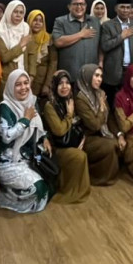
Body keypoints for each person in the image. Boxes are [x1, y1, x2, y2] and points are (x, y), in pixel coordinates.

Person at [0, 69, 53, 213]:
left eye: (26, 83)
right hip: (9, 162)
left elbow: (38, 125)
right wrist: (25, 119)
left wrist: (44, 138)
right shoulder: (5, 107)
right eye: (18, 84)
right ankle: (5, 197)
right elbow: (6, 136)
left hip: (28, 158)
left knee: (51, 185)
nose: (23, 88)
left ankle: (14, 191)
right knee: (38, 189)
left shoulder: (31, 101)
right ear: (11, 87)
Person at [40, 70, 92, 203]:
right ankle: (70, 191)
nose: (64, 87)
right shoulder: (50, 106)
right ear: (54, 86)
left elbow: (80, 123)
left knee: (88, 149)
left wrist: (82, 138)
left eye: (67, 83)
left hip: (72, 141)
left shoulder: (70, 100)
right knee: (79, 156)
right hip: (57, 147)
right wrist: (69, 115)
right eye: (60, 83)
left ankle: (80, 189)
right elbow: (59, 131)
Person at [73, 64, 122, 185]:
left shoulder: (100, 93)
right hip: (86, 137)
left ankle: (106, 176)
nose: (99, 79)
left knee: (117, 142)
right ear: (88, 76)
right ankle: (96, 177)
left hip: (100, 133)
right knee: (110, 144)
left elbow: (109, 118)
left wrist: (119, 134)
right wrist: (101, 108)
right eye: (96, 76)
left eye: (101, 76)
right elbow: (94, 125)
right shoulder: (80, 99)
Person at [52, 0, 101, 82]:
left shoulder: (95, 21)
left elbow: (101, 45)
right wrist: (81, 34)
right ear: (69, 6)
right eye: (75, 4)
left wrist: (101, 62)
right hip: (69, 76)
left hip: (91, 75)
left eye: (82, 4)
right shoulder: (60, 21)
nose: (79, 7)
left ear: (86, 6)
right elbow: (58, 42)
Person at [100, 0, 133, 110]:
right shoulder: (108, 25)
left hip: (131, 70)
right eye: (122, 7)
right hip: (113, 71)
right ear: (116, 8)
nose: (125, 10)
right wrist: (121, 36)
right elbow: (105, 46)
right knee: (113, 104)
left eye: (128, 7)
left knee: (130, 104)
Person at [0, 0, 32, 100]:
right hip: (6, 76)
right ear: (9, 12)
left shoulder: (26, 29)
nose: (18, 15)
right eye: (15, 12)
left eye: (21, 12)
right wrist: (21, 45)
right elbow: (5, 57)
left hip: (23, 75)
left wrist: (31, 75)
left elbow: (30, 54)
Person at [26, 9, 57, 96]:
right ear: (29, 21)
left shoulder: (49, 39)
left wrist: (47, 85)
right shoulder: (24, 38)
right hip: (24, 79)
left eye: (40, 21)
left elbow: (53, 63)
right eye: (35, 20)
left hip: (41, 81)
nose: (37, 23)